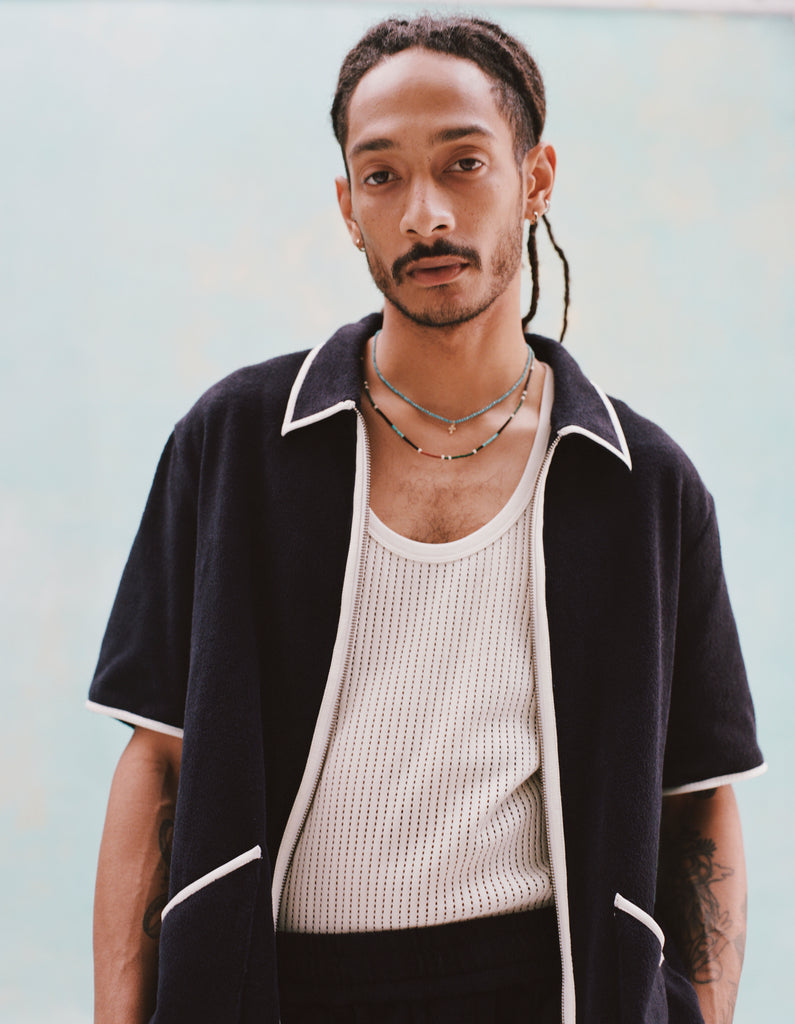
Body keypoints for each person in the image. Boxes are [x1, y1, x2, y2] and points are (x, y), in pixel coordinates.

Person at [88, 14, 765, 1024]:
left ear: (535, 180)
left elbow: (698, 802)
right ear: (347, 206)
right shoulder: (234, 444)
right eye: (383, 176)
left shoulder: (643, 484)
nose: (426, 214)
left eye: (464, 164)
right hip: (274, 989)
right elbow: (159, 762)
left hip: (548, 989)